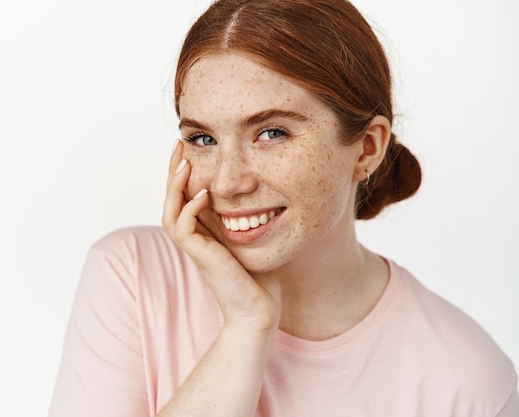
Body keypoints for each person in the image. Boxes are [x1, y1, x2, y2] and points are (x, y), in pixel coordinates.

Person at [48, 0, 519, 415]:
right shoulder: (132, 275)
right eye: (203, 138)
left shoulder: (467, 382)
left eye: (271, 132)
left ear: (367, 148)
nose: (229, 181)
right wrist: (246, 327)